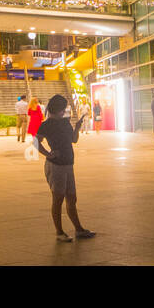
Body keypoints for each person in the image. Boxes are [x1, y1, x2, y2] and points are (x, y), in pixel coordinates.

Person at [35, 94, 95, 242]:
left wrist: (77, 128)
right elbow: (35, 141)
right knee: (58, 199)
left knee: (71, 198)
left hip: (68, 164)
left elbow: (73, 140)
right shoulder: (46, 125)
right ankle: (59, 232)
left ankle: (79, 229)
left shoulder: (65, 122)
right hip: (56, 166)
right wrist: (48, 154)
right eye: (63, 107)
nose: (65, 110)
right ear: (57, 108)